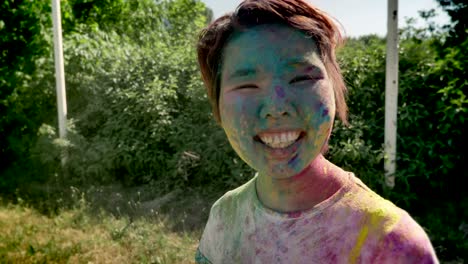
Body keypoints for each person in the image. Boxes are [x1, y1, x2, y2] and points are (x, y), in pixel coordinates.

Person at [194, 0, 439, 263]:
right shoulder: (223, 217)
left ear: (335, 92)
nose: (277, 108)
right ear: (217, 105)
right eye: (247, 85)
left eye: (302, 79)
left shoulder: (392, 242)